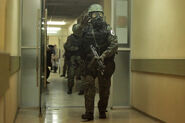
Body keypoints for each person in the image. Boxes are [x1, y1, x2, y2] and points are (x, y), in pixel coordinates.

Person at [77, 4, 118, 121]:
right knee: (89, 88)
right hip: (90, 63)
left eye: (100, 14)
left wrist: (104, 55)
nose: (98, 17)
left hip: (105, 63)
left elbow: (114, 44)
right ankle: (89, 113)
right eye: (95, 14)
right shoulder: (85, 29)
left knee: (104, 89)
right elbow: (77, 38)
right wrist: (81, 25)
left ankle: (102, 110)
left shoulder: (108, 29)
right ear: (90, 16)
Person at [64, 24, 84, 94]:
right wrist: (76, 48)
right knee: (71, 74)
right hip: (73, 57)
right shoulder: (71, 38)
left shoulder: (82, 38)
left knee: (82, 74)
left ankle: (82, 89)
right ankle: (70, 88)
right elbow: (67, 47)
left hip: (80, 58)